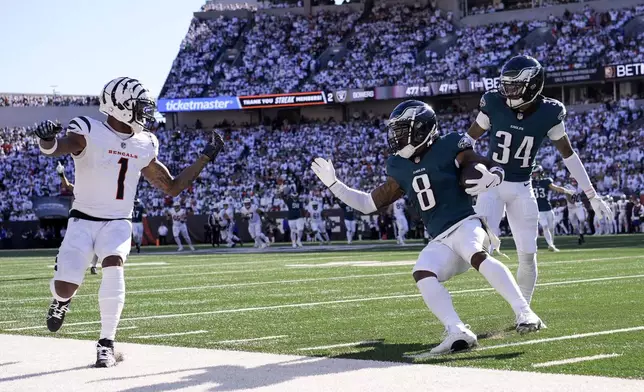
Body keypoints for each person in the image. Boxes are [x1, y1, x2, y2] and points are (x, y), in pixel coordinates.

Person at [312, 100, 542, 355]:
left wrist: (494, 172)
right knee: (422, 272)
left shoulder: (450, 144)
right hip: (441, 239)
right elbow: (368, 203)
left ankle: (525, 312)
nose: (396, 137)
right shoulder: (399, 165)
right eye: (395, 131)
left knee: (476, 253)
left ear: (422, 129)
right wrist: (334, 185)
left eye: (402, 131)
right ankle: (457, 330)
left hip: (467, 223)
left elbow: (477, 162)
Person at [34, 77, 224, 368]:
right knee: (65, 286)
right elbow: (57, 147)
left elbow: (171, 187)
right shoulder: (88, 129)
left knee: (113, 267)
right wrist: (46, 139)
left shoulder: (144, 142)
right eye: (139, 106)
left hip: (118, 220)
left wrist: (204, 158)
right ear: (120, 107)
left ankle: (106, 343)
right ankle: (60, 302)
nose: (144, 113)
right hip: (83, 220)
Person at [466, 55, 612, 304]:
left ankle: (524, 310)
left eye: (514, 85)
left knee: (528, 255)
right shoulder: (493, 102)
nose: (507, 90)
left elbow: (568, 155)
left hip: (523, 188)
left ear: (532, 86)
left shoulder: (550, 112)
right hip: (491, 186)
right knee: (476, 250)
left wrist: (591, 194)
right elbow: (468, 141)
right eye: (506, 84)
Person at [531, 165, 572, 252]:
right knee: (545, 226)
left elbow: (556, 188)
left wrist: (567, 191)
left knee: (551, 228)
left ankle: (551, 244)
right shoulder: (530, 183)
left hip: (548, 208)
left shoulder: (546, 181)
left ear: (540, 173)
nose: (533, 175)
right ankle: (550, 245)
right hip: (538, 209)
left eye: (535, 173)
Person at [565, 179, 587, 245]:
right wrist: (573, 202)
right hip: (571, 208)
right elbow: (568, 197)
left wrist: (580, 200)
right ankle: (579, 238)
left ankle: (581, 233)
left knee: (582, 219)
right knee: (575, 226)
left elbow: (583, 194)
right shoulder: (568, 187)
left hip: (578, 207)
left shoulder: (580, 186)